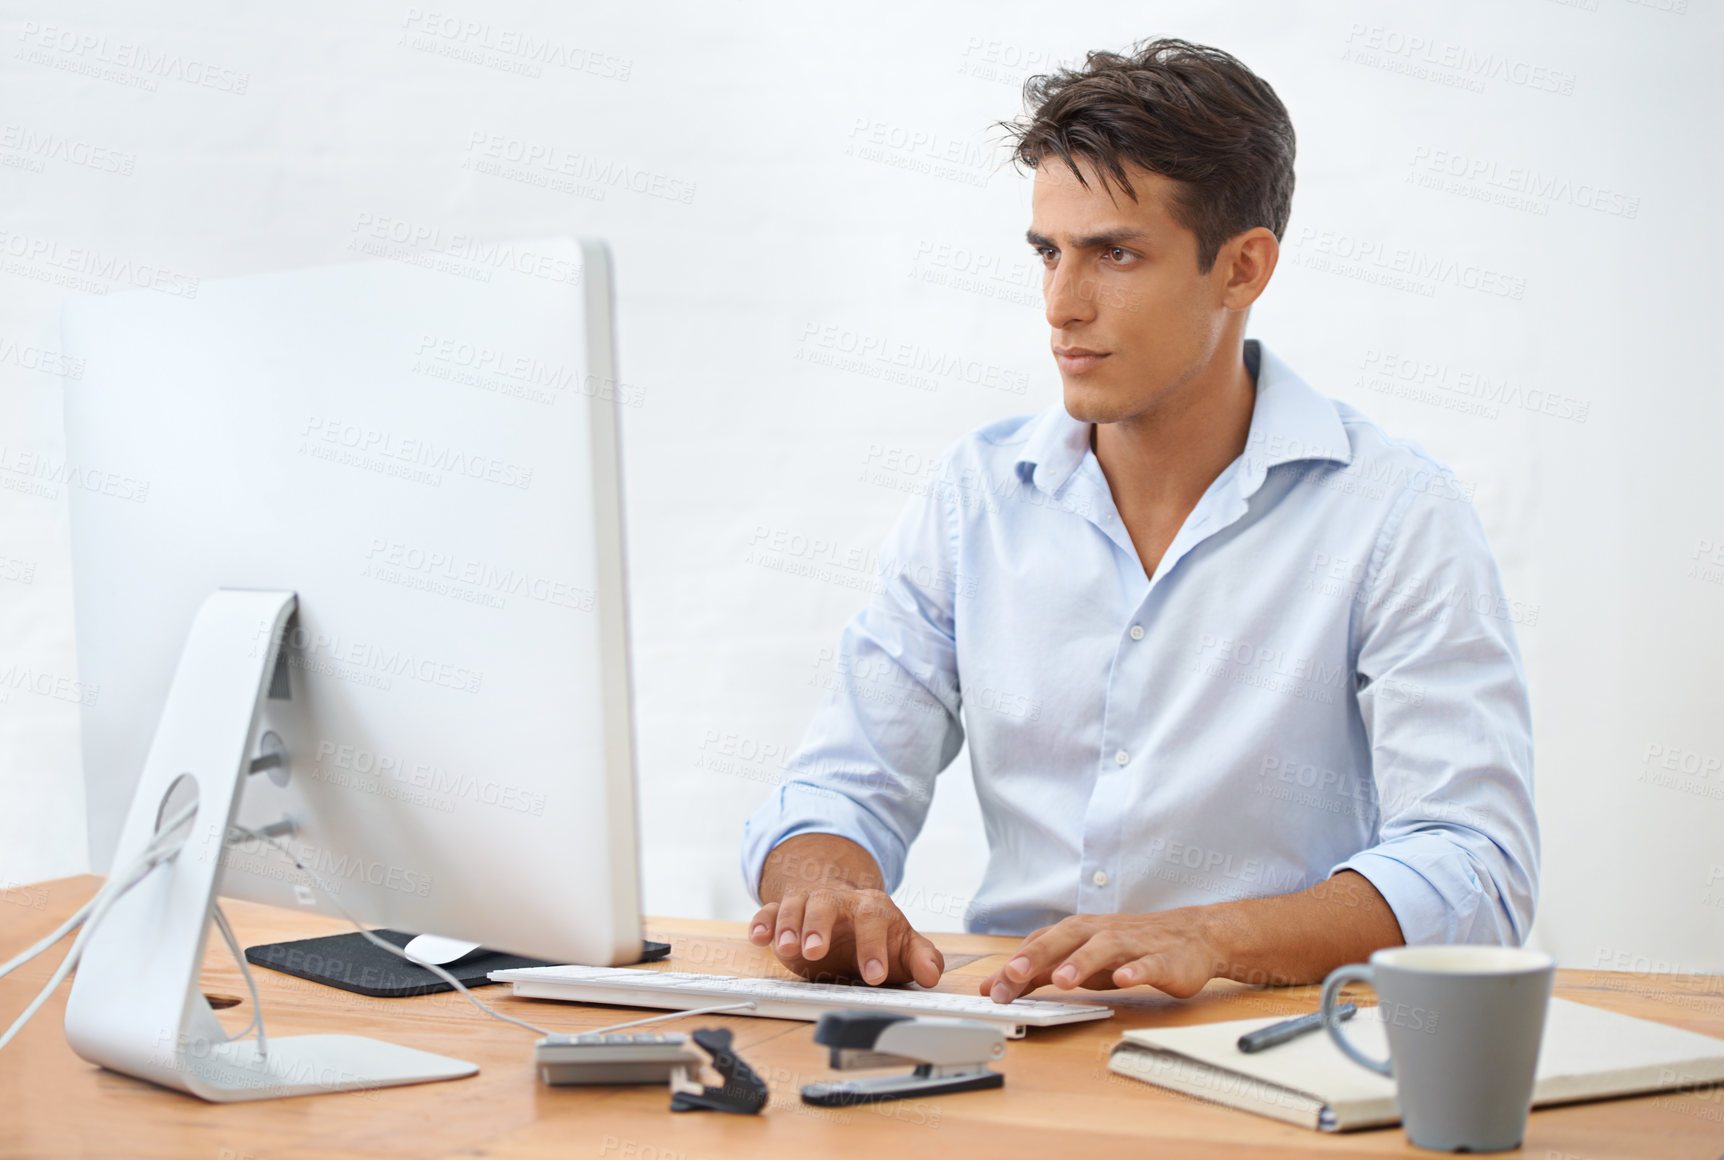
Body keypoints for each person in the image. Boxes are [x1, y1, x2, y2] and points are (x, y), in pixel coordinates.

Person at [739, 38, 1538, 1006]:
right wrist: (828, 889)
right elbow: (840, 784)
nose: (1060, 306)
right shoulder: (975, 495)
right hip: (1013, 1031)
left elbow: (1474, 864)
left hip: (1265, 1038)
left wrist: (1212, 935)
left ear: (1240, 268)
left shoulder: (1393, 513)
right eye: (1047, 252)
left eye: (1114, 253)